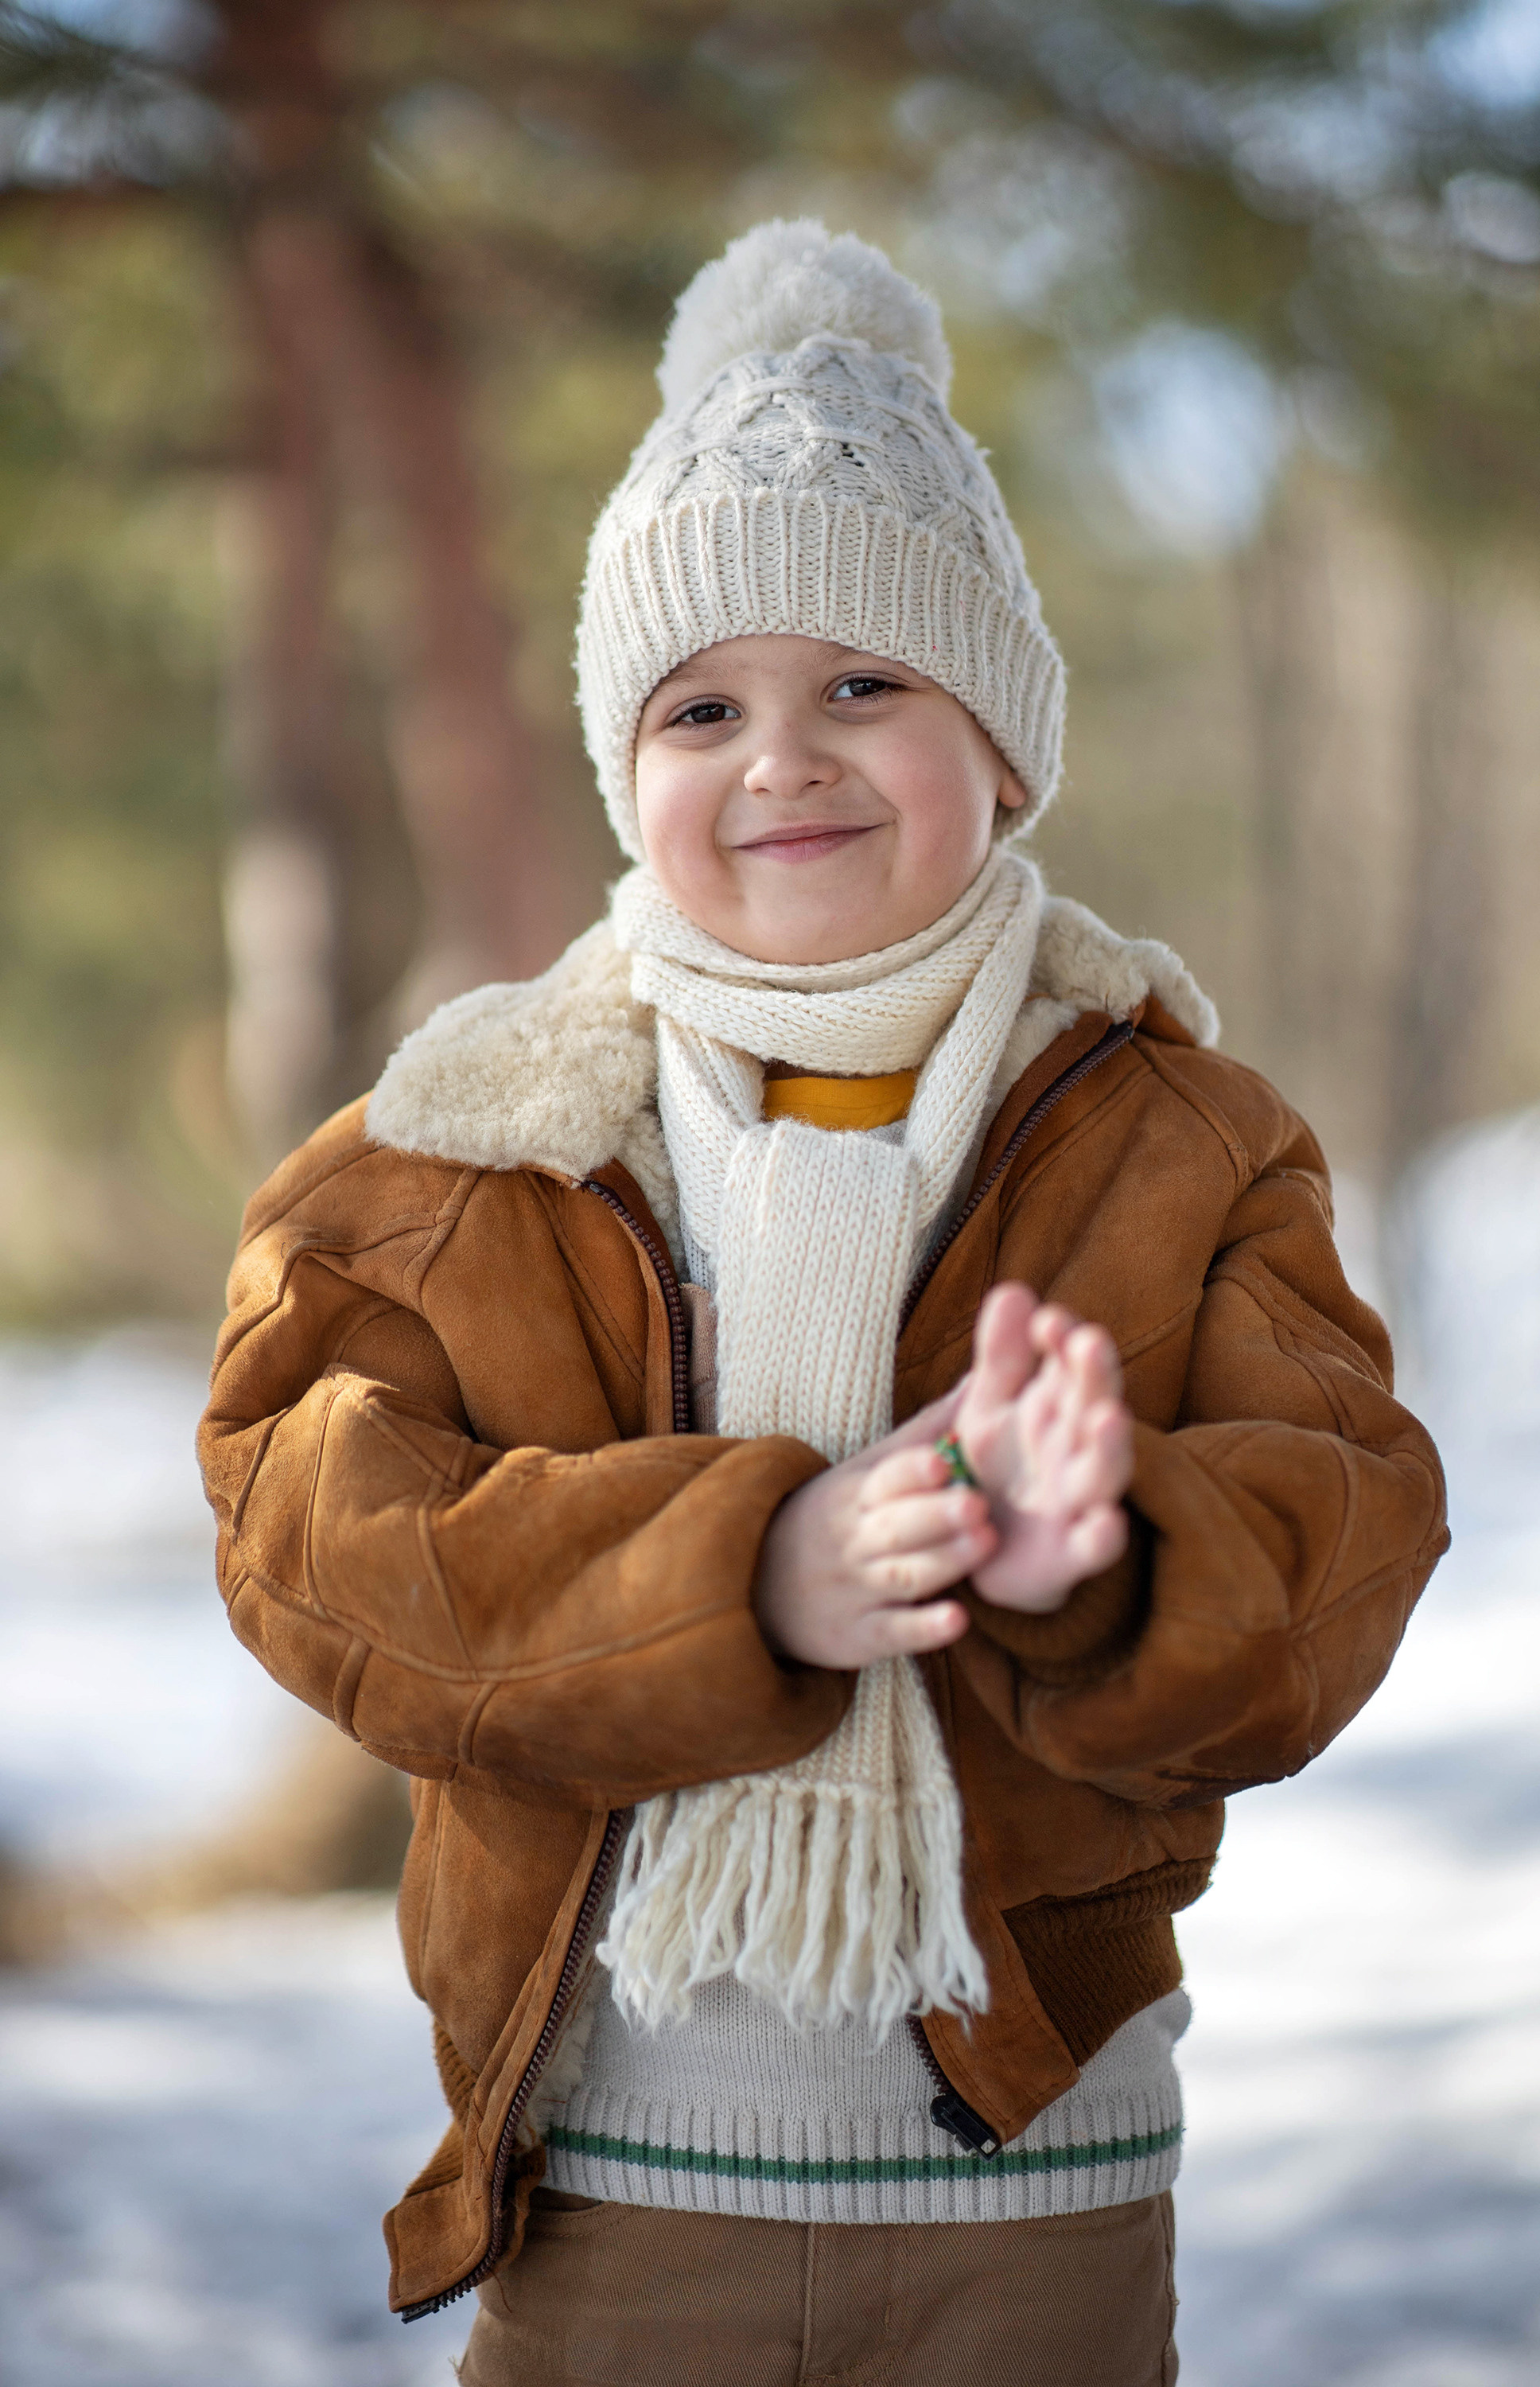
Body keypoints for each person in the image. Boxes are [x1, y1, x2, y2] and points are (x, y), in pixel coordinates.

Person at [197, 222, 1448, 2386]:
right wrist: (735, 1571)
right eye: (704, 707)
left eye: (867, 680)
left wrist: (1113, 1555)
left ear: (1007, 746)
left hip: (1028, 2177)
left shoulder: (1179, 1136)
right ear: (627, 768)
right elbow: (313, 1533)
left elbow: (1344, 1529)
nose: (784, 757)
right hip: (614, 2187)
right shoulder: (477, 1150)